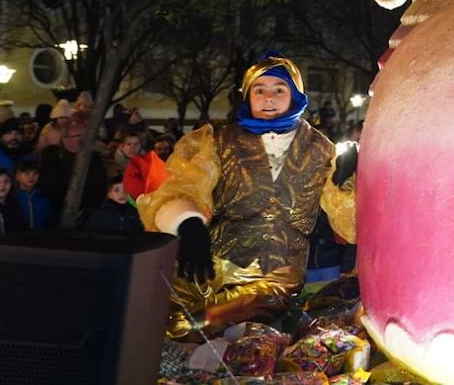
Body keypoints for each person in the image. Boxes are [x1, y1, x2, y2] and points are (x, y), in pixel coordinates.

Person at [138, 54, 357, 337]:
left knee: (206, 323)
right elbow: (183, 186)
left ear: (295, 94)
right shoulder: (218, 141)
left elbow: (349, 226)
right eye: (259, 89)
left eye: (279, 89)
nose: (269, 97)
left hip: (275, 271)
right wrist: (188, 224)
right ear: (247, 95)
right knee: (152, 312)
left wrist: (345, 181)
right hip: (210, 260)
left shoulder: (322, 150)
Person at [39, 110, 108, 226]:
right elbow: (49, 187)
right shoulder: (53, 159)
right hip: (58, 213)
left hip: (88, 214)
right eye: (78, 135)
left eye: (84, 134)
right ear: (65, 138)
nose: (82, 139)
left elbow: (99, 184)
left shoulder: (93, 158)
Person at [14, 158, 52, 230]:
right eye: (27, 173)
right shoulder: (13, 198)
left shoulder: (44, 197)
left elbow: (49, 221)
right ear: (17, 176)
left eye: (35, 173)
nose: (31, 177)